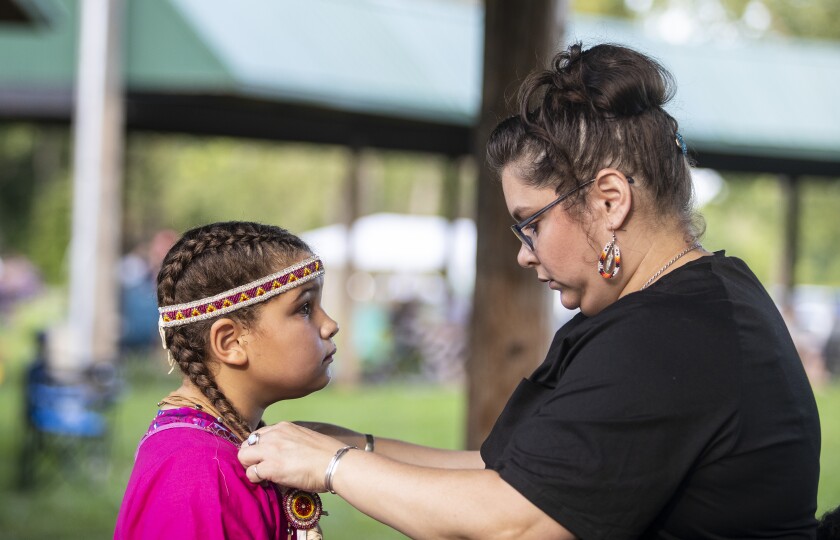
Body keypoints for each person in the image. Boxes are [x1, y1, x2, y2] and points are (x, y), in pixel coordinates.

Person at [237, 43, 821, 539]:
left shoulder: (674, 335)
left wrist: (333, 467)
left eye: (530, 224)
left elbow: (517, 521)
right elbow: (508, 472)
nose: (523, 252)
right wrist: (355, 445)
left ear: (609, 200)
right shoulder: (680, 306)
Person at [114, 221, 339, 540]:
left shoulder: (224, 446)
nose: (330, 325)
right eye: (304, 308)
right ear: (230, 342)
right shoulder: (194, 471)